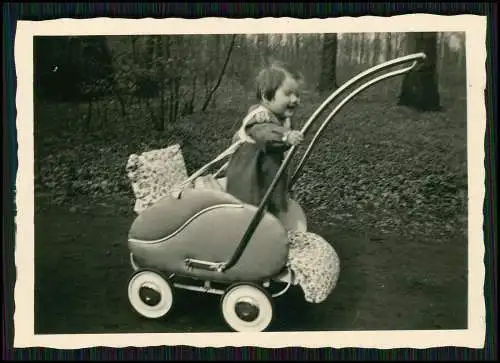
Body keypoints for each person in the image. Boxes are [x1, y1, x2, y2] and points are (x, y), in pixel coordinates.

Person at [225, 62, 304, 217]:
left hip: (266, 178)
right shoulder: (260, 117)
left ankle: (273, 219)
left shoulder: (281, 118)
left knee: (271, 204)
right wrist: (285, 137)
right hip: (250, 184)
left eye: (297, 94)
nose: (295, 99)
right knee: (254, 213)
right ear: (266, 96)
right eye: (288, 94)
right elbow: (266, 134)